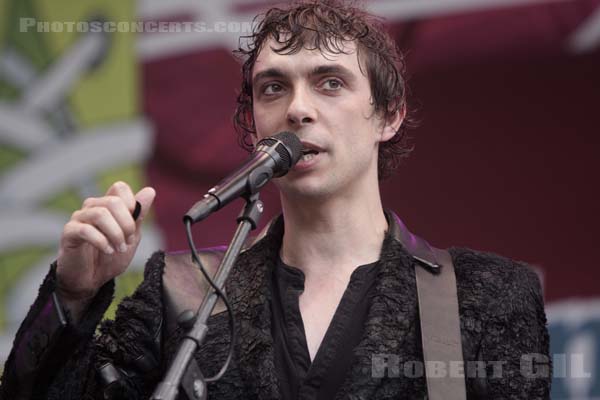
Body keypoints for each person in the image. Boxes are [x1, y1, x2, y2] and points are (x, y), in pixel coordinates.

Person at [0, 1, 551, 399]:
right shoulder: (180, 290)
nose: (297, 109)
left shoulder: (484, 297)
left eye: (330, 83)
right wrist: (74, 294)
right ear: (255, 121)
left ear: (388, 115)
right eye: (273, 87)